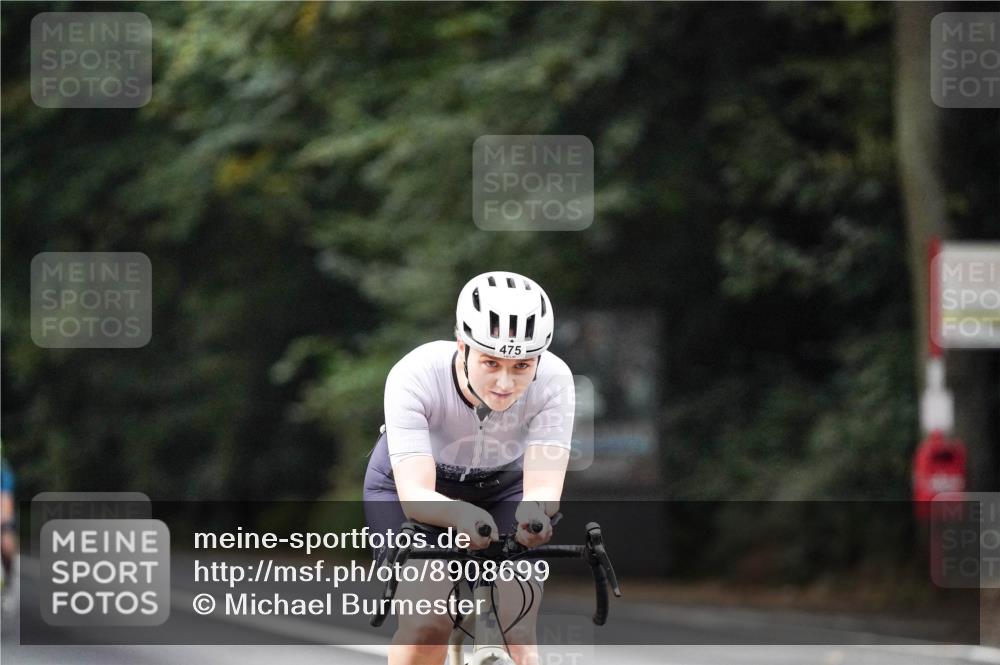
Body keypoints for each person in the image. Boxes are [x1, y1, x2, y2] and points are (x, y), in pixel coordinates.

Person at [364, 271, 575, 665]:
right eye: (490, 362)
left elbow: (543, 484)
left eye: (522, 366)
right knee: (428, 626)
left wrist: (534, 514)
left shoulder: (555, 380)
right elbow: (416, 497)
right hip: (410, 490)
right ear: (462, 344)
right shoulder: (415, 374)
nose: (504, 382)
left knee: (519, 633)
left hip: (500, 487)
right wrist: (459, 513)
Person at [1, 456, 16, 591]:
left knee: (6, 542)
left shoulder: (3, 470)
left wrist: (4, 521)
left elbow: (6, 499)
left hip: (2, 514)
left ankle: (8, 576)